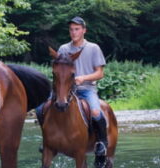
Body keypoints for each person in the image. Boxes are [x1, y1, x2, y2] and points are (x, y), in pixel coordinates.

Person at [40, 17, 110, 156]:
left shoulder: (93, 48)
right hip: (64, 90)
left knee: (96, 112)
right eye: (71, 29)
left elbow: (100, 73)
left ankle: (101, 142)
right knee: (42, 108)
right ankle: (47, 142)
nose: (73, 32)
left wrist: (83, 78)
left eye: (77, 29)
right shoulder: (63, 49)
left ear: (84, 30)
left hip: (86, 89)